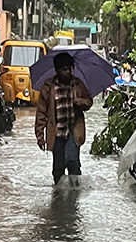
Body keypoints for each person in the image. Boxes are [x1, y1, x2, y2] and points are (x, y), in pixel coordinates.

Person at [35, 53, 93, 184]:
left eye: (69, 69)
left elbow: (89, 102)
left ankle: (74, 199)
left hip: (74, 130)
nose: (67, 72)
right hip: (57, 133)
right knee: (58, 167)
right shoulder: (49, 87)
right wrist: (40, 137)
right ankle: (58, 197)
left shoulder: (77, 84)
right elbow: (41, 113)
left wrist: (81, 102)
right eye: (64, 69)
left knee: (74, 164)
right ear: (57, 70)